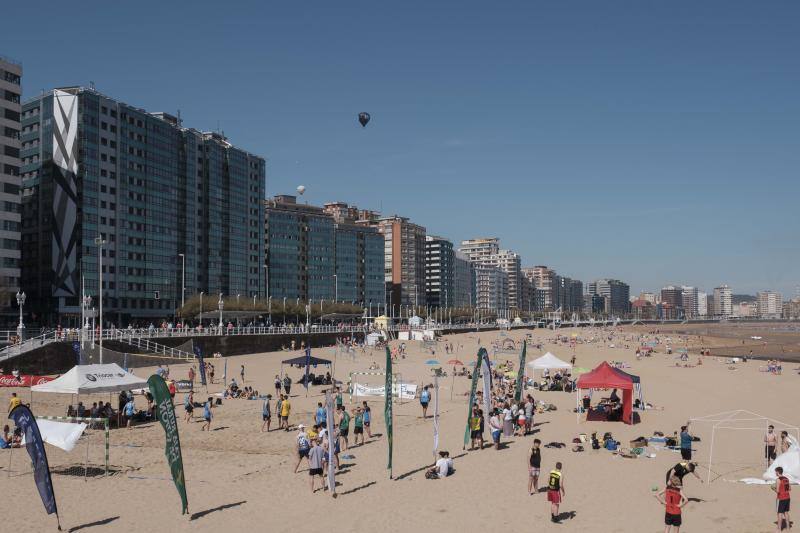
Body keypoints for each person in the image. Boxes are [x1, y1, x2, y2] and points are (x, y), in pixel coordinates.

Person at [772, 466, 791, 532]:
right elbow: (789, 489)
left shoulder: (778, 479)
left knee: (779, 513)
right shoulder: (787, 479)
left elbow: (777, 491)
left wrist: (773, 488)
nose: (775, 473)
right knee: (786, 512)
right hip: (787, 497)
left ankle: (779, 529)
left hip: (781, 498)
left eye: (775, 472)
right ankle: (788, 527)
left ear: (778, 472)